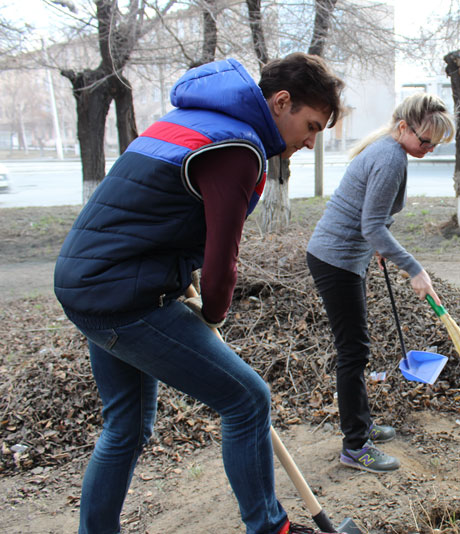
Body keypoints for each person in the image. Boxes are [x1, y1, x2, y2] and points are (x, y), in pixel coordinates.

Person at [54, 54, 344, 534]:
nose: (310, 141)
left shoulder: (190, 119)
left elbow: (152, 211)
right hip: (122, 296)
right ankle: (271, 528)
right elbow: (220, 259)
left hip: (85, 279)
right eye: (310, 126)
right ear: (282, 101)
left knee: (125, 427)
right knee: (248, 399)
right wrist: (213, 311)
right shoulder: (238, 148)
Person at [306, 93, 455, 473]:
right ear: (404, 127)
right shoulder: (389, 157)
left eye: (435, 145)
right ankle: (356, 446)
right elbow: (370, 225)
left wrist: (379, 245)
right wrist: (414, 268)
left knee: (355, 348)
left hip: (340, 255)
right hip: (335, 259)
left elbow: (368, 215)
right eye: (425, 141)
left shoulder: (389, 149)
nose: (429, 148)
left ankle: (362, 427)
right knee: (354, 352)